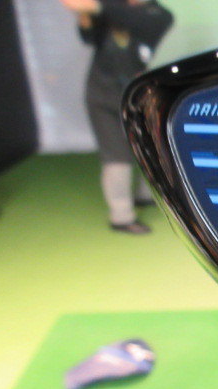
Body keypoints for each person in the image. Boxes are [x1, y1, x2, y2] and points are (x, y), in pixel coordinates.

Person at [60, 0, 173, 234]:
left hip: (140, 94)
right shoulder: (110, 6)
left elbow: (136, 21)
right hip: (102, 93)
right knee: (116, 157)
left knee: (151, 149)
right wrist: (84, 15)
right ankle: (121, 216)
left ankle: (146, 195)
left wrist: (94, 7)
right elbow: (89, 38)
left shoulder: (159, 15)